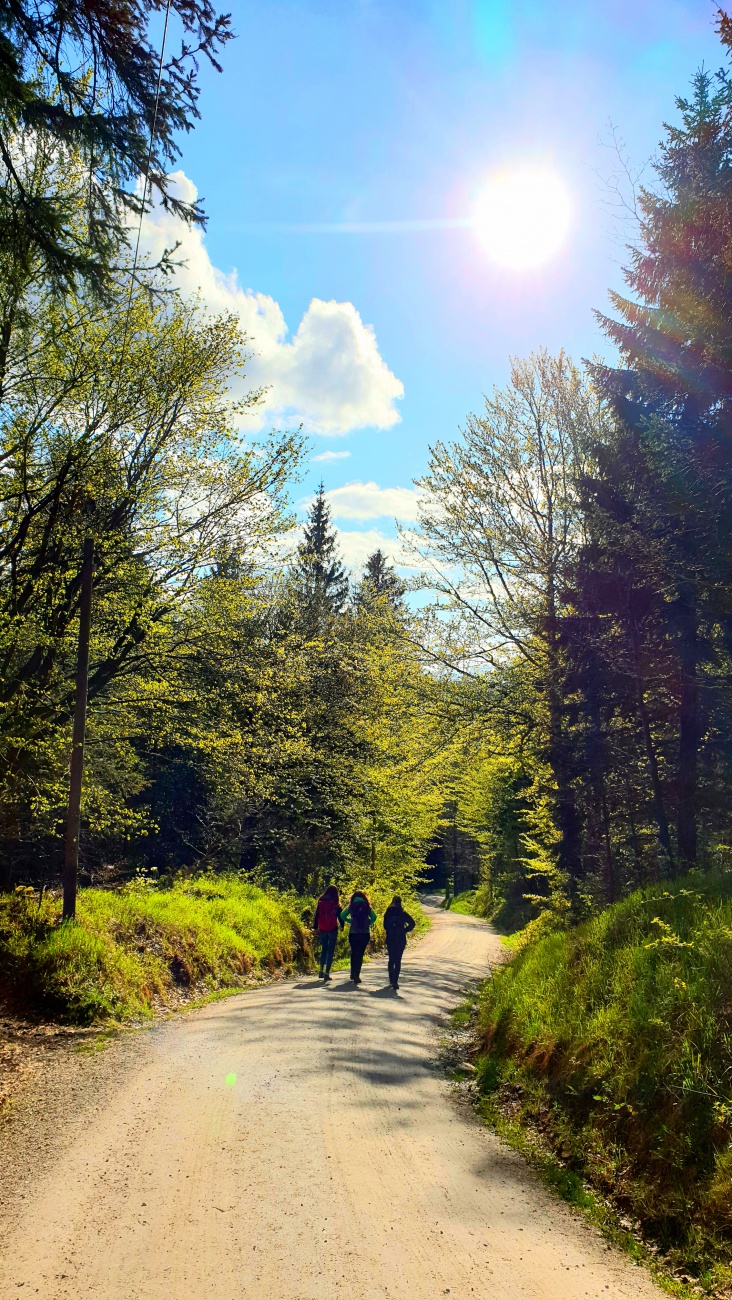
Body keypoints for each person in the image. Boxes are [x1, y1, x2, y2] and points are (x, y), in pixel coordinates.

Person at [339, 890, 377, 984]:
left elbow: (342, 915)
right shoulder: (367, 906)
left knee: (354, 952)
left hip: (353, 932)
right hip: (364, 933)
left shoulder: (351, 906)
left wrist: (349, 921)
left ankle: (352, 972)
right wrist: (368, 923)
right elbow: (374, 917)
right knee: (360, 954)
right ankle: (357, 974)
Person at [383, 895, 416, 990]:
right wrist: (405, 930)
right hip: (400, 938)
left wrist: (390, 928)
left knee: (391, 959)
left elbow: (385, 926)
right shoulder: (402, 913)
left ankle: (391, 979)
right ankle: (395, 981)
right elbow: (413, 923)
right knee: (398, 960)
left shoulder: (388, 913)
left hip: (390, 938)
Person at [313, 884, 342, 981]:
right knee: (330, 951)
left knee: (324, 949)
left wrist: (315, 928)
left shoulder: (321, 901)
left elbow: (316, 915)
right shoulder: (335, 902)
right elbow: (340, 915)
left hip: (322, 928)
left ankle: (320, 971)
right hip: (332, 928)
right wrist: (342, 925)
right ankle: (327, 973)